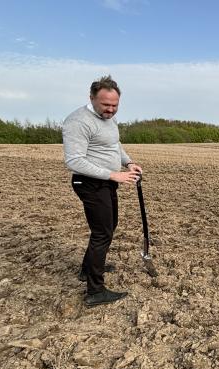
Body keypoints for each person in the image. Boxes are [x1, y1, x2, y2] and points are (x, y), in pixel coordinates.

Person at [63, 75, 142, 307]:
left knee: (107, 228)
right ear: (92, 98)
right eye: (106, 105)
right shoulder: (78, 121)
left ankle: (88, 269)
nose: (110, 110)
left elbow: (113, 144)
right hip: (89, 183)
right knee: (102, 233)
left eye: (115, 105)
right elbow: (74, 161)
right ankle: (95, 291)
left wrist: (128, 163)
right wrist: (113, 174)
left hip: (105, 183)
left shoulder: (109, 120)